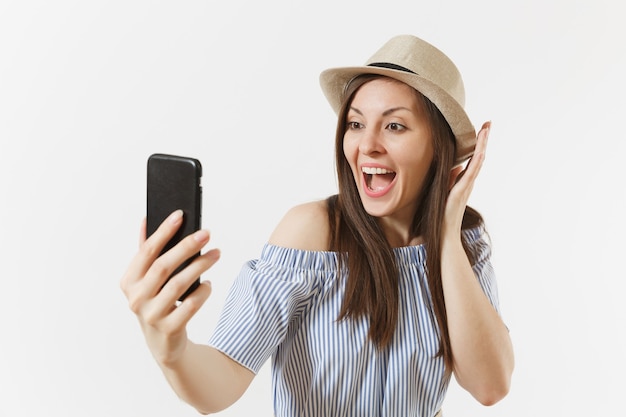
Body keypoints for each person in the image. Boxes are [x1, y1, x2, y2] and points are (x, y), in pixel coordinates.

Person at [120, 34, 514, 417]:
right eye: (356, 124)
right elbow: (220, 383)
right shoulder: (311, 232)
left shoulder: (464, 243)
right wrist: (171, 350)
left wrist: (445, 233)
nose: (367, 145)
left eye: (394, 126)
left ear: (438, 148)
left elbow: (490, 385)